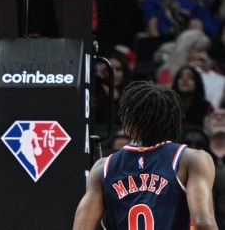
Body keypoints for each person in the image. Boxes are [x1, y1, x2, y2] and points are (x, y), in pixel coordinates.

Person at [73, 80, 217, 229]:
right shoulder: (191, 159)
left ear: (130, 122)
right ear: (173, 119)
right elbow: (203, 223)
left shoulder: (103, 167)